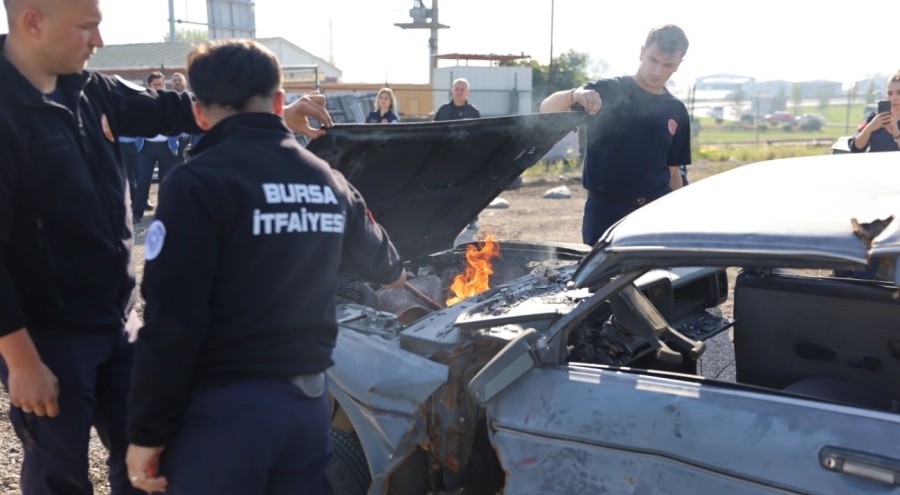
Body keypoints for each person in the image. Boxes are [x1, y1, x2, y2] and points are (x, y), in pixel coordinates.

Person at [0, 1, 334, 494]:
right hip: (50, 338)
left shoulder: (92, 89)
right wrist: (22, 361)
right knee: (60, 471)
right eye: (88, 27)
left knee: (147, 458)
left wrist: (272, 111)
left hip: (118, 322)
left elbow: (182, 108)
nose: (100, 41)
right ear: (33, 21)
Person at [124, 39, 406, 494]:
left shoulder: (194, 184)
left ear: (199, 113)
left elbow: (171, 321)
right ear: (279, 103)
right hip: (308, 410)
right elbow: (388, 267)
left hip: (222, 417)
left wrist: (146, 431)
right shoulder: (328, 180)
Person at [540, 24, 691, 246]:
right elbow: (546, 109)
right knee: (603, 281)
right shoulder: (607, 91)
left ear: (678, 65)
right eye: (653, 60)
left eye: (668, 64)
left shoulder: (676, 110)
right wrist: (574, 94)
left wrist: (677, 216)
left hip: (654, 213)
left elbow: (674, 173)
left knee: (653, 280)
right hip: (605, 213)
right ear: (641, 53)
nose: (658, 71)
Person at [131, 72, 180, 222]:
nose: (158, 87)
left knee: (165, 181)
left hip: (167, 146)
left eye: (161, 84)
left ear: (164, 84)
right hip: (147, 147)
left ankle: (162, 213)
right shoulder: (141, 101)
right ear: (149, 85)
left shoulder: (172, 101)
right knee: (143, 180)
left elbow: (179, 120)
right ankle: (137, 213)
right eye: (155, 84)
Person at [848, 71, 900, 152]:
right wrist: (869, 129)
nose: (893, 98)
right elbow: (855, 148)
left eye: (899, 93)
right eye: (889, 93)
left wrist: (897, 134)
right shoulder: (873, 118)